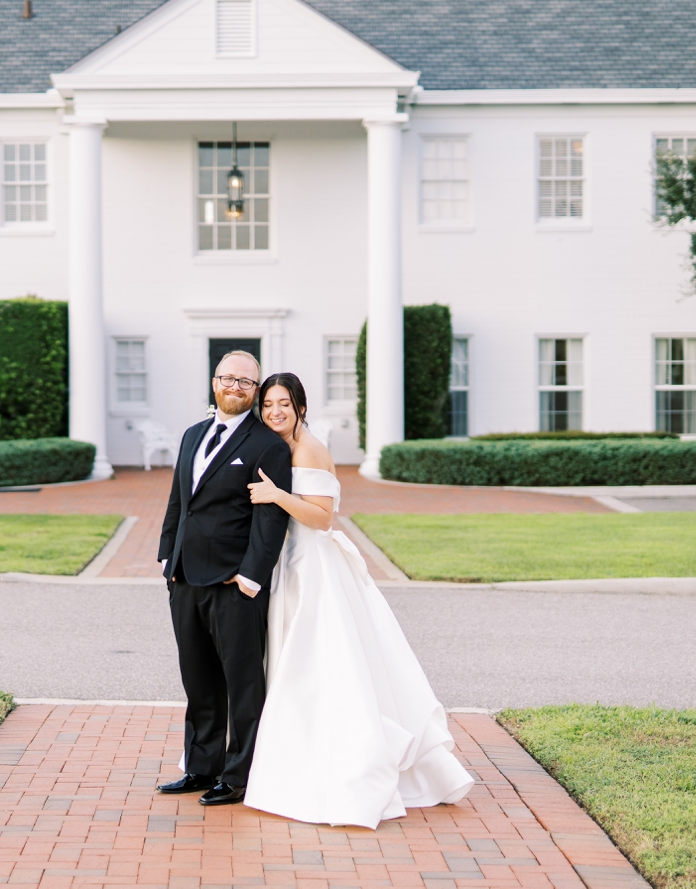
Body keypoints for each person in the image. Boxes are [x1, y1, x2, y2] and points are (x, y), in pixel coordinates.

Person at [243, 373, 474, 828]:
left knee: (319, 664)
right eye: (268, 404)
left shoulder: (309, 449)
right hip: (290, 563)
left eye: (283, 404)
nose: (274, 412)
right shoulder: (281, 446)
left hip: (314, 568)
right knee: (296, 662)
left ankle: (344, 766)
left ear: (301, 408)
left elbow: (323, 518)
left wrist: (276, 495)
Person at [156, 351, 293, 806]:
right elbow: (180, 501)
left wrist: (252, 577)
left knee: (242, 684)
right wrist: (166, 560)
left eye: (245, 382)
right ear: (214, 382)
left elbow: (270, 520)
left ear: (254, 392)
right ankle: (200, 766)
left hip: (235, 586)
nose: (235, 387)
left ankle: (237, 776)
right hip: (185, 578)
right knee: (198, 680)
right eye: (228, 378)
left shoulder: (266, 444)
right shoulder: (192, 435)